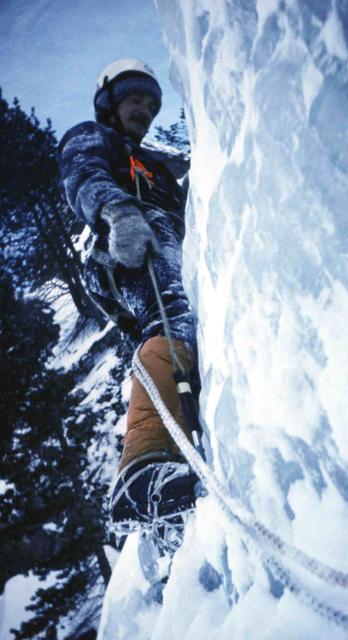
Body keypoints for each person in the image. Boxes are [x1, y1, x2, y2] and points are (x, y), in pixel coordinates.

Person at [58, 59, 199, 534]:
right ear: (110, 104)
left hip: (160, 244)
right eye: (134, 98)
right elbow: (79, 172)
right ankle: (142, 472)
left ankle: (179, 446)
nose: (144, 108)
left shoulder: (158, 164)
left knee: (187, 328)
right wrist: (116, 210)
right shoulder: (94, 139)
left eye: (151, 102)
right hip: (123, 245)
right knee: (173, 317)